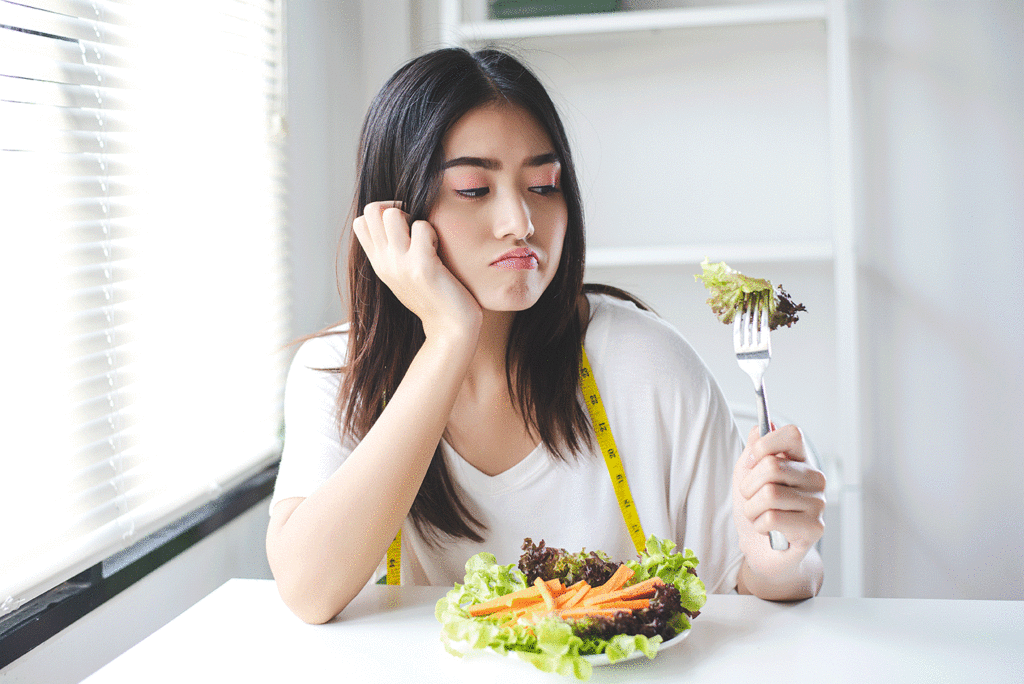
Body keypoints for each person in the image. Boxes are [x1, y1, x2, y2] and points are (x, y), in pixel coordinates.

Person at [266, 47, 825, 625]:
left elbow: (757, 579)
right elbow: (310, 591)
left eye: (543, 184)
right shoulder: (336, 370)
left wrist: (781, 557)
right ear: (395, 212)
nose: (521, 222)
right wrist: (449, 338)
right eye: (474, 190)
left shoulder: (642, 362)